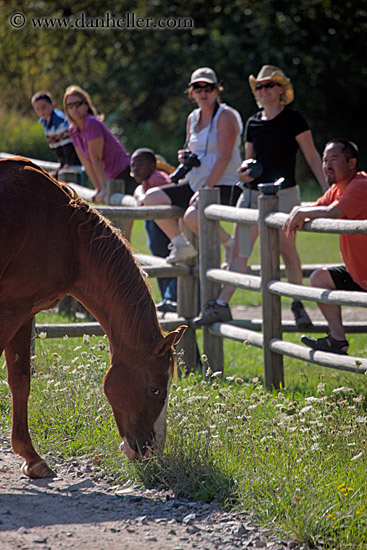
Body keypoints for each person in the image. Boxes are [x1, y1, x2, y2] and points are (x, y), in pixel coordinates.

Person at [195, 64, 328, 328]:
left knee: (287, 251)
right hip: (252, 195)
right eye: (260, 86)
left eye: (270, 85)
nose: (264, 90)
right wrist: (243, 175)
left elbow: (312, 156)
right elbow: (247, 162)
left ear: (282, 89)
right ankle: (221, 304)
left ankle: (297, 304)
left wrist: (328, 189)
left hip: (285, 195)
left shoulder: (294, 119)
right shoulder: (253, 122)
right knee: (240, 253)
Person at [143, 67, 243, 265]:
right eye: (198, 88)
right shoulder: (193, 118)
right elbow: (193, 150)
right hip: (196, 184)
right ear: (192, 93)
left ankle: (230, 245)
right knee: (150, 198)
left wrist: (206, 188)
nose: (203, 93)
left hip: (225, 185)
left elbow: (224, 157)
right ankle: (181, 244)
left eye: (208, 88)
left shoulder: (226, 116)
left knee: (192, 216)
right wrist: (184, 156)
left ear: (217, 90)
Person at [283, 139, 367, 355]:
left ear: (351, 163)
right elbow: (318, 206)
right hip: (359, 275)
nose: (327, 165)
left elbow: (332, 213)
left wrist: (301, 213)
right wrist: (297, 209)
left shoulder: (360, 184)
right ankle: (338, 340)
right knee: (319, 278)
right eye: (324, 160)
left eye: (334, 159)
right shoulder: (336, 189)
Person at [63, 85, 137, 240]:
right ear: (66, 109)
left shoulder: (91, 123)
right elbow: (87, 162)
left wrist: (103, 187)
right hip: (109, 177)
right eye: (70, 105)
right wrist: (99, 187)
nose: (75, 109)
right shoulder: (73, 130)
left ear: (86, 105)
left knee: (122, 232)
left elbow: (95, 158)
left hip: (122, 173)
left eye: (78, 104)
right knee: (116, 233)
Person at [131, 148, 177, 312]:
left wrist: (143, 197)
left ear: (152, 166)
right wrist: (141, 196)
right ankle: (168, 298)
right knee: (163, 259)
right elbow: (139, 192)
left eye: (140, 164)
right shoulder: (149, 179)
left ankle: (172, 298)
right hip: (159, 226)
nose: (135, 169)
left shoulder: (157, 179)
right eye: (133, 165)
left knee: (170, 261)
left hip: (169, 227)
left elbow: (148, 197)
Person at [31, 91, 80, 174]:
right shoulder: (44, 121)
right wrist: (62, 162)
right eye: (38, 109)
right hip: (64, 159)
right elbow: (55, 145)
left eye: (44, 107)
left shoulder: (60, 121)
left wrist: (68, 163)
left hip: (74, 159)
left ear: (52, 105)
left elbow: (68, 144)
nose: (41, 111)